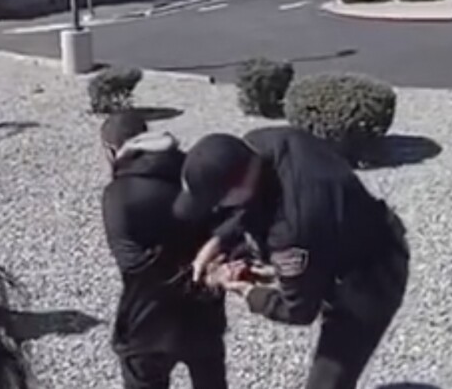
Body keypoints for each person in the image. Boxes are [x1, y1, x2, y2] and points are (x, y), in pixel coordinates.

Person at [173, 128, 410, 389]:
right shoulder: (263, 142)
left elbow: (299, 310)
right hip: (355, 223)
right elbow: (255, 199)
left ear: (239, 187)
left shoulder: (291, 231)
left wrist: (246, 290)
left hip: (373, 274)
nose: (217, 209)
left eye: (217, 202)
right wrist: (219, 240)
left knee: (328, 383)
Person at [99, 112, 228, 389]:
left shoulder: (118, 195)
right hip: (205, 311)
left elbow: (134, 265)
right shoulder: (194, 173)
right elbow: (223, 233)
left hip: (147, 320)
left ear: (111, 151)